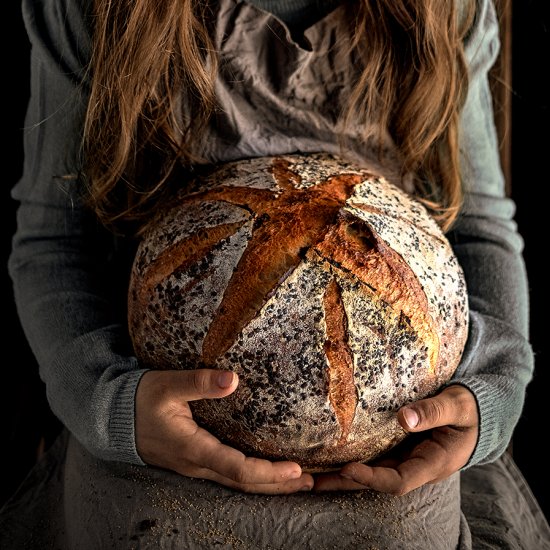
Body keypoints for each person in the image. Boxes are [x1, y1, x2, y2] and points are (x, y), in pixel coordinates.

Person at [1, 0, 549, 547]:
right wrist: (109, 406)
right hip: (153, 415)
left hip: (397, 437)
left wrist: (495, 391)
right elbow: (54, 242)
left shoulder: (443, 10)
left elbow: (479, 229)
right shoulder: (97, 10)